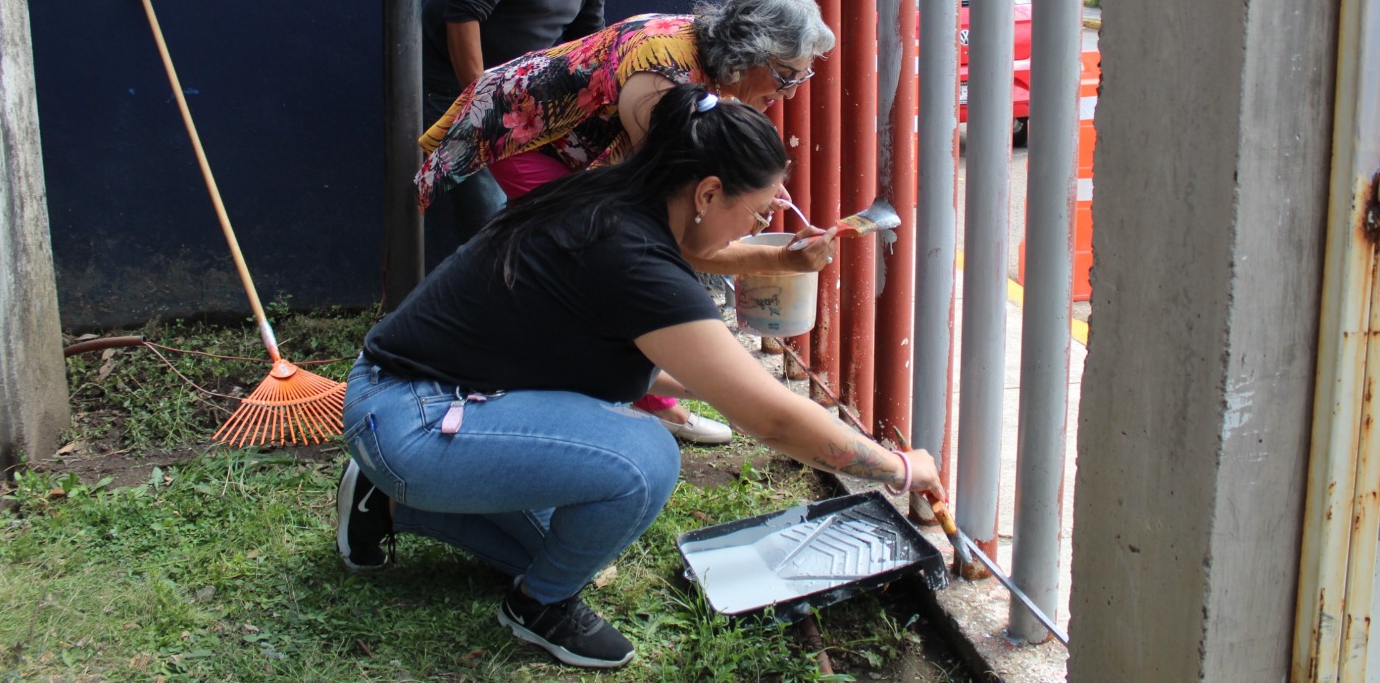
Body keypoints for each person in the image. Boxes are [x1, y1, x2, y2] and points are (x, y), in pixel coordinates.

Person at [339, 85, 945, 670]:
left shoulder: (622, 200)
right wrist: (897, 469)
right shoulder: (633, 259)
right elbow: (772, 419)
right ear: (708, 193)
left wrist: (726, 375)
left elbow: (681, 360)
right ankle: (537, 607)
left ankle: (385, 502)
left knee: (564, 544)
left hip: (412, 397)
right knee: (643, 459)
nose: (754, 228)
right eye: (757, 213)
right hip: (412, 416)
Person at [414, 0, 838, 443]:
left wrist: (751, 190)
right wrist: (781, 259)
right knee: (594, 258)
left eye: (803, 76)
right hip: (529, 137)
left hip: (575, 149)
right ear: (750, 49)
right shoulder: (663, 84)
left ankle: (635, 395)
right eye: (785, 76)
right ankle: (577, 399)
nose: (792, 92)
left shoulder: (710, 55)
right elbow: (672, 238)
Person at [422, 0, 657, 240]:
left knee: (545, 215)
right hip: (452, 90)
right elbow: (462, 12)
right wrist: (482, 105)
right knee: (492, 221)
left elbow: (587, 51)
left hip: (519, 104)